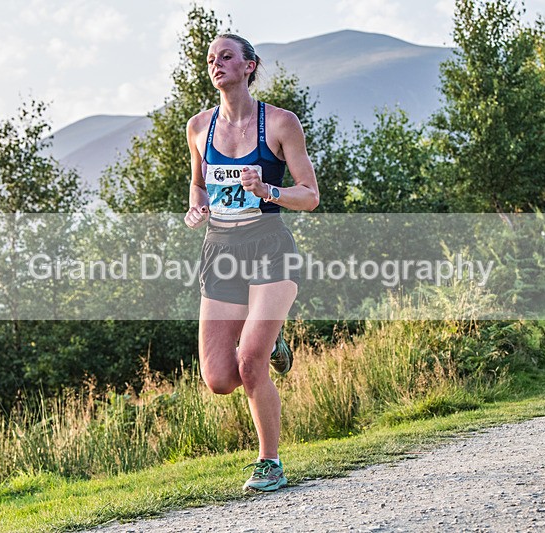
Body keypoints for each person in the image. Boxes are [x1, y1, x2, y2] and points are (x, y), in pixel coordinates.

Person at [184, 33, 319, 492]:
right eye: (211, 59)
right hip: (219, 250)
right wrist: (197, 208)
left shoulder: (280, 123)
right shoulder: (198, 127)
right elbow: (198, 185)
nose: (216, 64)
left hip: (269, 245)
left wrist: (269, 191)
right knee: (220, 378)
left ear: (249, 66)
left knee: (249, 362)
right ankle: (274, 341)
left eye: (226, 56)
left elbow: (310, 195)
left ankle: (269, 462)